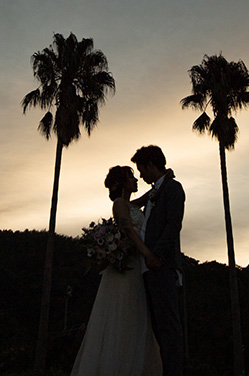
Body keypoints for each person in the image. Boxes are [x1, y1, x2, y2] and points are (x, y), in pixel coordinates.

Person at [71, 166, 163, 376]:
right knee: (122, 317)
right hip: (126, 270)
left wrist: (162, 181)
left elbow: (143, 200)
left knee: (134, 317)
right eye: (131, 177)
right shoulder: (120, 204)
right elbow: (128, 230)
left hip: (134, 268)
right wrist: (147, 253)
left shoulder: (129, 203)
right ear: (122, 182)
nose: (136, 179)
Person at [131, 145, 184, 376]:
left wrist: (157, 256)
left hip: (161, 266)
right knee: (158, 327)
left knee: (169, 327)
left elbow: (173, 226)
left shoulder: (173, 189)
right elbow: (131, 206)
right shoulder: (154, 192)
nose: (140, 176)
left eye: (141, 170)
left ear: (151, 165)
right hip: (148, 268)